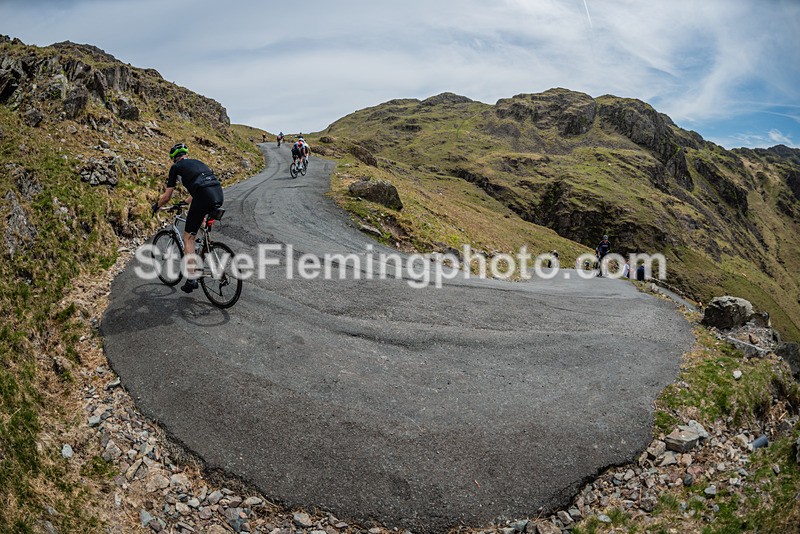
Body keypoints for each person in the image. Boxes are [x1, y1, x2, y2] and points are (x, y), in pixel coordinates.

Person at [151, 142, 224, 294]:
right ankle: (206, 247)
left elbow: (167, 196)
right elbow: (200, 186)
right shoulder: (198, 163)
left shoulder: (176, 168)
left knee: (188, 237)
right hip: (218, 193)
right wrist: (184, 202)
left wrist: (156, 205)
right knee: (201, 223)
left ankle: (191, 278)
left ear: (174, 158)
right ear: (185, 155)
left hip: (203, 195)